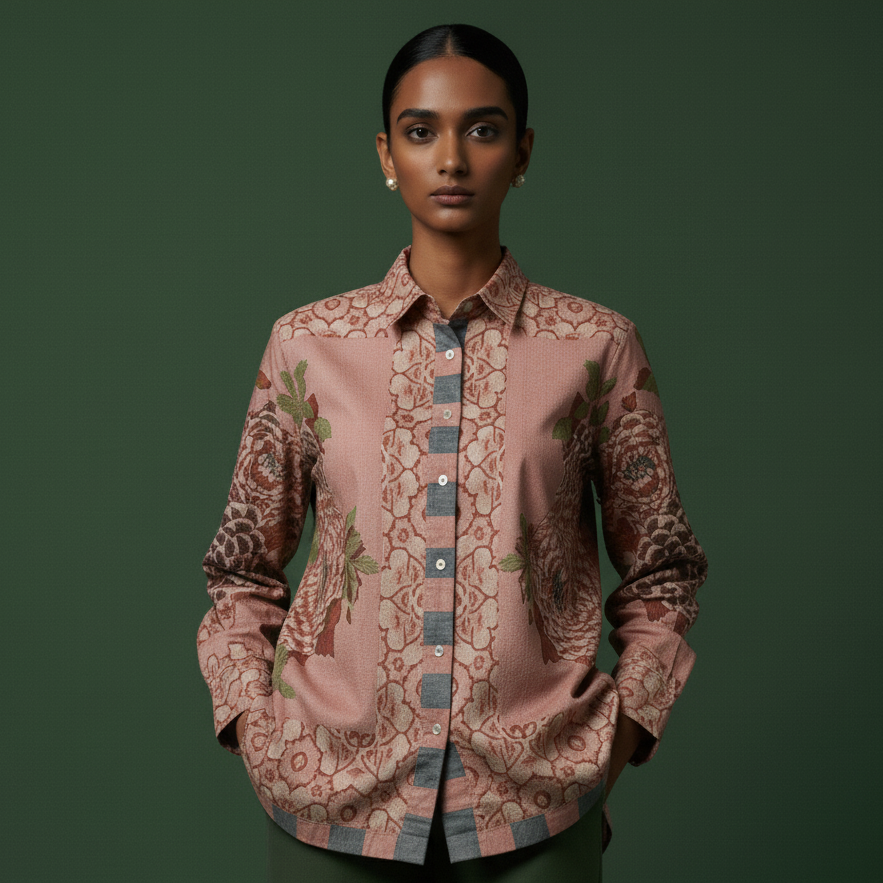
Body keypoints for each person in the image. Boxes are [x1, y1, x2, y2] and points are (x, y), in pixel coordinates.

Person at [197, 23, 707, 882]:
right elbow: (242, 569)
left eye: (482, 128)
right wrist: (255, 723)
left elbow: (662, 571)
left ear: (523, 151)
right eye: (420, 130)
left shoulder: (597, 345)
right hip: (331, 793)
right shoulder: (306, 344)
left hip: (536, 801)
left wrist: (617, 734)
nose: (452, 159)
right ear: (386, 153)